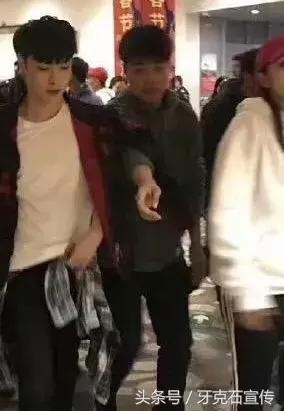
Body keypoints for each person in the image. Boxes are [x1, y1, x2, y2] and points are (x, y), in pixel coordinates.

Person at [0, 16, 157, 411]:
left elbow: (121, 173)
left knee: (65, 371)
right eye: (43, 68)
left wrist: (99, 231)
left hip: (72, 267)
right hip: (21, 270)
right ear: (22, 65)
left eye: (63, 67)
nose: (55, 79)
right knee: (36, 383)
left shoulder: (91, 123)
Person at [99, 25, 206, 411]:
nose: (150, 79)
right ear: (125, 71)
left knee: (177, 342)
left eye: (158, 68)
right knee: (124, 342)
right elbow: (133, 156)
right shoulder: (111, 117)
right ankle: (102, 401)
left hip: (166, 252)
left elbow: (193, 181)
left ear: (170, 68)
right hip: (119, 254)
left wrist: (197, 246)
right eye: (139, 69)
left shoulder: (184, 116)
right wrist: (144, 179)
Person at [208, 35, 284, 411]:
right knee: (252, 390)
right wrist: (250, 292)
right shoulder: (248, 126)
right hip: (256, 282)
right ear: (264, 76)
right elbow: (228, 210)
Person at [202, 49, 258, 209]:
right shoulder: (227, 110)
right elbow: (211, 157)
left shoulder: (263, 108)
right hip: (234, 202)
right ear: (250, 77)